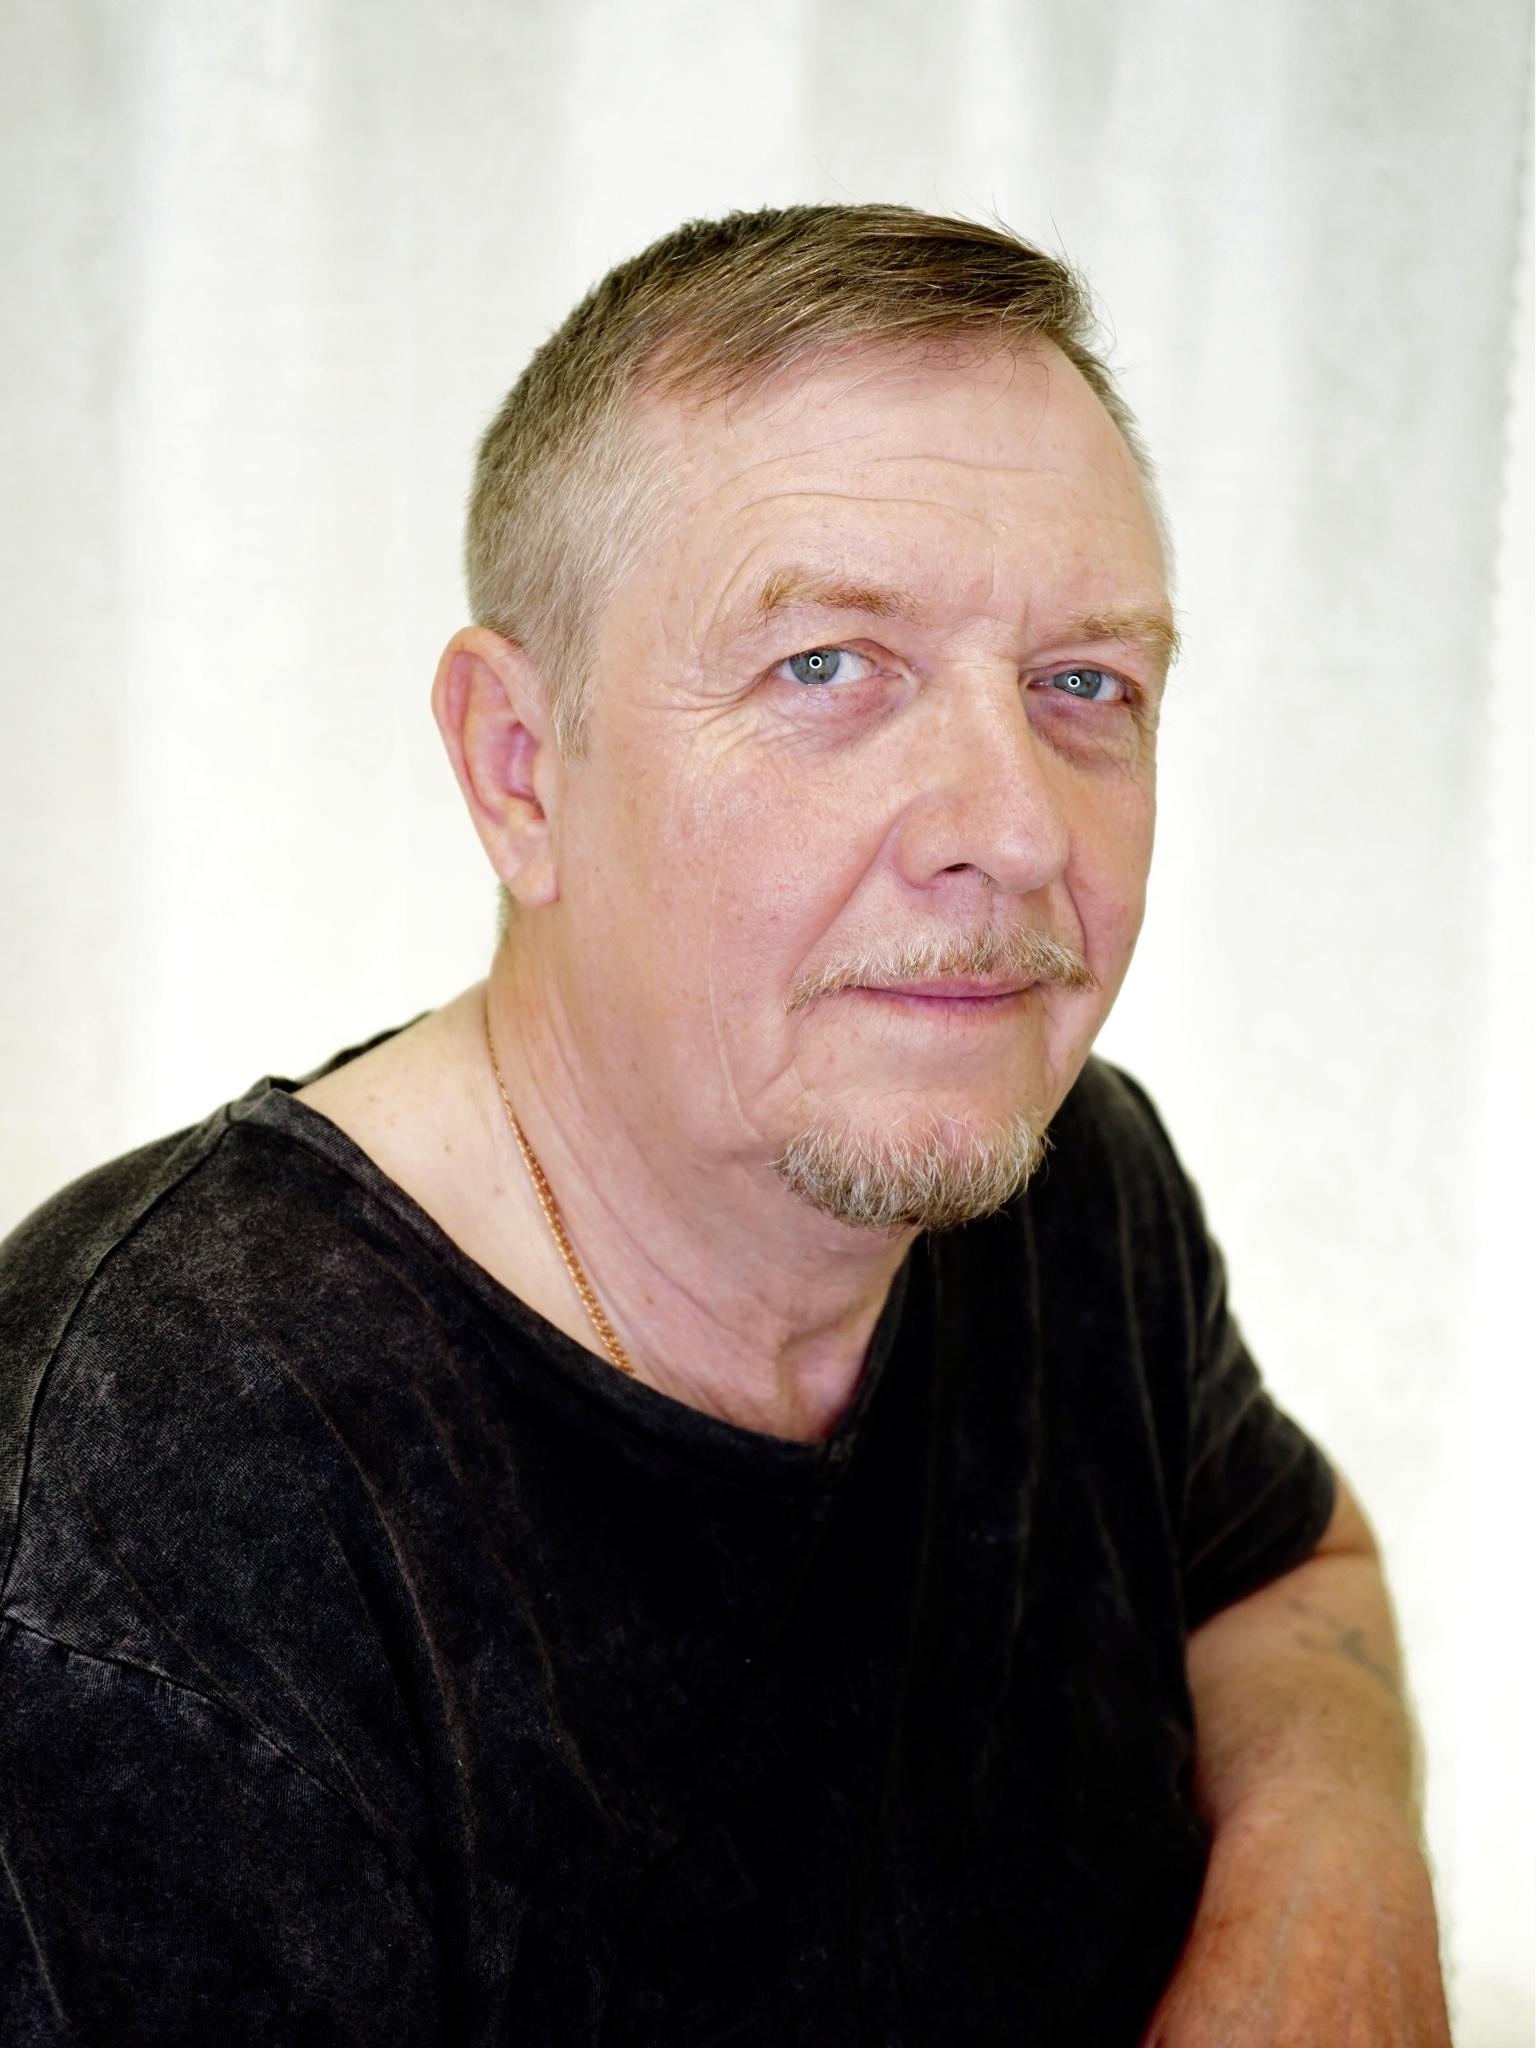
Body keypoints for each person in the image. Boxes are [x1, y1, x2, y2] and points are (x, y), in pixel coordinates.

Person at [0, 204, 1451, 2045]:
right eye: (827, 666)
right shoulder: (140, 1527)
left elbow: (1284, 1569)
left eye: (1085, 683)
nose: (1015, 830)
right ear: (520, 769)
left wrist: (1330, 1874)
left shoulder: (1073, 1177)